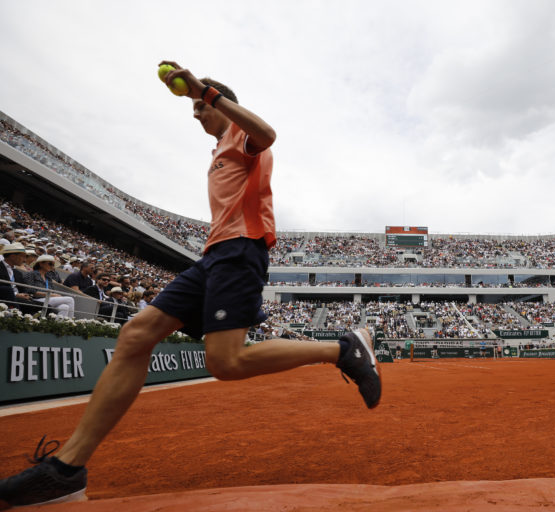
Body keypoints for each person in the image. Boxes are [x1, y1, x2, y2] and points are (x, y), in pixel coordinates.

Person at [0, 60, 381, 508]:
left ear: (216, 102)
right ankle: (65, 470)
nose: (195, 116)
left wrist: (208, 92)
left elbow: (270, 134)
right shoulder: (221, 147)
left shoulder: (243, 136)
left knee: (226, 362)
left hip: (241, 250)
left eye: (199, 109)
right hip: (214, 255)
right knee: (135, 334)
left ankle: (342, 348)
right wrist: (203, 98)